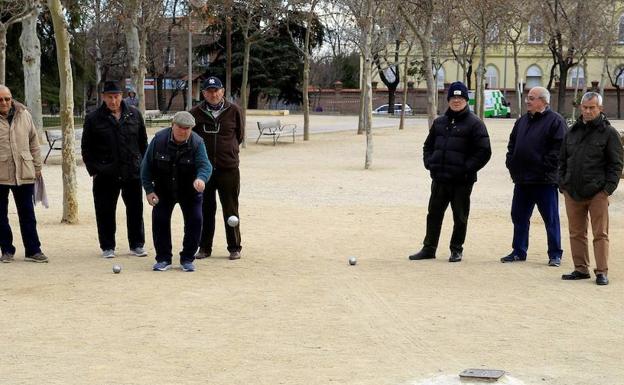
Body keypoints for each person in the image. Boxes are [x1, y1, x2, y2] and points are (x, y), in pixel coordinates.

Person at [409, 81, 491, 262]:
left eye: (460, 97)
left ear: (466, 100)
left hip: (462, 181)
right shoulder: (439, 122)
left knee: (460, 217)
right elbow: (427, 146)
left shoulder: (475, 124)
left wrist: (465, 169)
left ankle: (456, 249)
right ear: (448, 100)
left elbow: (484, 152)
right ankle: (429, 248)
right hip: (440, 179)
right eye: (453, 97)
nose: (456, 101)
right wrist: (429, 163)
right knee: (434, 214)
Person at [559, 92, 623, 285]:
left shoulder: (609, 133)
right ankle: (580, 269)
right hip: (572, 191)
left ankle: (601, 271)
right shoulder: (572, 131)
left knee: (600, 234)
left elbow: (616, 164)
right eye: (585, 107)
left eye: (592, 108)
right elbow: (562, 160)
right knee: (576, 232)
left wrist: (606, 190)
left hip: (598, 193)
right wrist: (563, 184)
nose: (587, 111)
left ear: (600, 109)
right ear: (581, 108)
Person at [81, 80, 148, 258]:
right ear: (103, 97)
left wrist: (142, 166)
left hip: (132, 172)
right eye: (109, 97)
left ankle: (137, 244)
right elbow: (86, 149)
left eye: (116, 96)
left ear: (122, 96)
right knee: (105, 211)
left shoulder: (134, 114)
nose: (113, 101)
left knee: (135, 210)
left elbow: (143, 144)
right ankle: (107, 246)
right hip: (105, 174)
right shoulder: (93, 118)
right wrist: (95, 170)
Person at [501, 86, 567, 266]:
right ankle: (518, 251)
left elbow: (558, 151)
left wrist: (543, 168)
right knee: (519, 216)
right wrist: (511, 163)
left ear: (544, 101)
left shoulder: (556, 121)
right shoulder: (521, 121)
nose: (527, 101)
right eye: (527, 98)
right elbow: (512, 145)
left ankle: (555, 254)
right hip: (522, 180)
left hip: (544, 181)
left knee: (550, 218)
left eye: (532, 98)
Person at [141, 111, 212, 272]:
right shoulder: (158, 140)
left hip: (190, 189)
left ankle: (187, 258)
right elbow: (146, 167)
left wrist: (201, 178)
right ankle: (163, 258)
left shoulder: (197, 142)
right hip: (163, 189)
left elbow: (205, 165)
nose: (184, 131)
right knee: (160, 220)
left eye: (188, 128)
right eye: (180, 127)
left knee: (195, 220)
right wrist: (149, 190)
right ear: (172, 125)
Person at [190, 76, 244, 260]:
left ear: (222, 91)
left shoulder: (234, 110)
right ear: (204, 93)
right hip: (204, 170)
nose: (213, 94)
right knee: (205, 209)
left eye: (216, 90)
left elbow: (239, 135)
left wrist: (227, 152)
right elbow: (190, 140)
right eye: (209, 91)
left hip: (228, 168)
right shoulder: (195, 113)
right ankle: (205, 247)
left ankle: (234, 247)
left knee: (231, 209)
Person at [0, 85, 48, 263]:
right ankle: (6, 250)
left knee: (27, 214)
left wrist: (37, 167)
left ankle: (33, 250)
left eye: (7, 98)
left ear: (12, 98)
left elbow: (34, 142)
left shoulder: (24, 115)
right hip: (1, 174)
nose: (4, 102)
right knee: (0, 216)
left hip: (24, 171)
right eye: (0, 99)